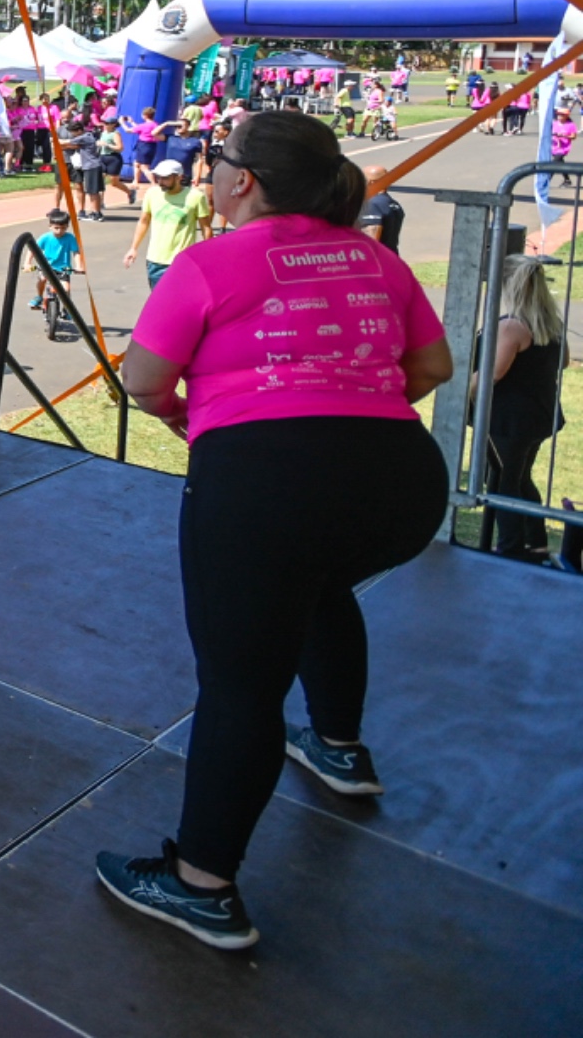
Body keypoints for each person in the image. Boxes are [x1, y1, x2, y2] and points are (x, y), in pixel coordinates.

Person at [101, 110, 453, 950]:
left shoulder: (207, 262)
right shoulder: (373, 255)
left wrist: (199, 418)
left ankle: (202, 886)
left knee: (240, 688)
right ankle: (338, 747)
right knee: (323, 581)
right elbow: (432, 367)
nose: (211, 171)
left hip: (265, 486)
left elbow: (144, 380)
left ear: (242, 181)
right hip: (400, 484)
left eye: (218, 161)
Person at [478, 254, 569, 562]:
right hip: (539, 416)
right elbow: (565, 360)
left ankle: (511, 546)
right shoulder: (550, 322)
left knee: (505, 482)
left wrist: (463, 390)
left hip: (508, 421)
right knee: (519, 477)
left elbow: (493, 373)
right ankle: (537, 542)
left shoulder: (512, 327)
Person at [123, 158, 211, 290]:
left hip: (183, 261)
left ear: (179, 178)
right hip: (156, 260)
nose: (160, 182)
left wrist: (208, 254)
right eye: (158, 177)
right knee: (159, 303)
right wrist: (133, 248)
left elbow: (206, 227)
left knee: (182, 302)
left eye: (165, 178)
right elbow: (144, 221)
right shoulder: (152, 194)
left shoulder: (195, 197)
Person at [30, 206, 81, 322]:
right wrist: (27, 263)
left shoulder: (70, 238)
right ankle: (38, 296)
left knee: (66, 289)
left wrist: (79, 266)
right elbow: (32, 250)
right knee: (42, 279)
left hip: (63, 268)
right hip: (46, 267)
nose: (59, 231)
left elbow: (76, 252)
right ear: (50, 227)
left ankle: (67, 309)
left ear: (67, 227)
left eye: (63, 228)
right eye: (56, 228)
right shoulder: (45, 238)